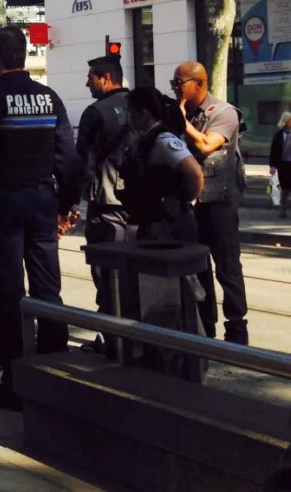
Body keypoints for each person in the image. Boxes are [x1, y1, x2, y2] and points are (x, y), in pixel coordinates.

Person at [0, 27, 81, 412]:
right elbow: (68, 157)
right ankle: (55, 374)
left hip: (5, 204)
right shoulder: (50, 98)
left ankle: (15, 381)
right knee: (48, 290)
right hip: (43, 202)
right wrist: (66, 204)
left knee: (8, 293)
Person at [171, 61, 249, 345]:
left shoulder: (224, 113)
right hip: (192, 203)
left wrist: (182, 122)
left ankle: (237, 328)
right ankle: (206, 327)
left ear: (199, 84)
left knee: (227, 266)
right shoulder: (184, 113)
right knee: (197, 267)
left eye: (179, 83)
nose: (176, 88)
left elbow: (206, 145)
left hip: (219, 202)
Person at [76, 55, 136, 352]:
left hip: (106, 203)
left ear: (106, 78)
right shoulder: (142, 106)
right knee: (136, 272)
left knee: (106, 272)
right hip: (139, 205)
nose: (88, 82)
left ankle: (111, 339)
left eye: (92, 77)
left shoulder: (95, 113)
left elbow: (83, 164)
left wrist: (70, 204)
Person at [117, 87, 204, 242]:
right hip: (152, 218)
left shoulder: (163, 139)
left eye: (131, 112)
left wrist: (184, 200)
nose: (128, 117)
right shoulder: (146, 138)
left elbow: (195, 173)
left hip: (167, 223)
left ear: (144, 114)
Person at [267, 111, 291, 219]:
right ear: (285, 122)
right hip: (283, 165)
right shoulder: (279, 135)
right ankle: (283, 209)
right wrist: (272, 166)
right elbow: (274, 151)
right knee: (285, 188)